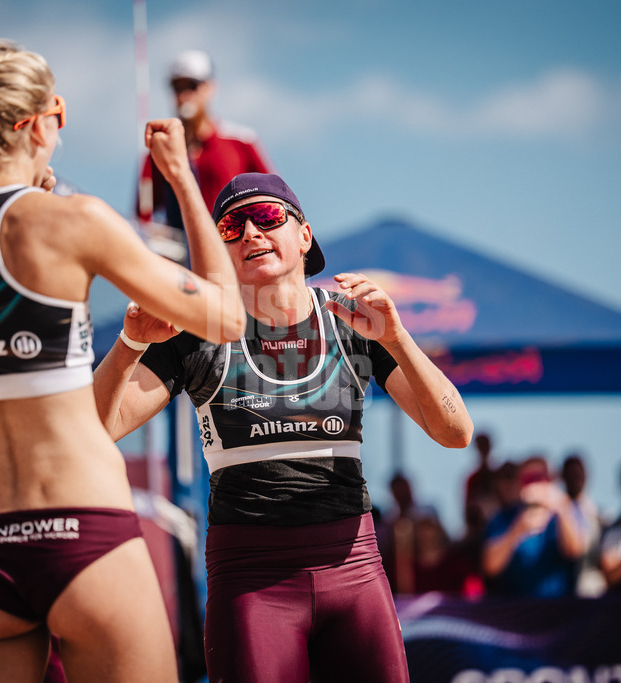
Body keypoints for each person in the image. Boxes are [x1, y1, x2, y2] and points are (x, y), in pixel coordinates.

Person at [0, 40, 245, 682]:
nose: (63, 129)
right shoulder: (73, 223)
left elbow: (0, 346)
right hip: (83, 530)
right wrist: (182, 178)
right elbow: (227, 317)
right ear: (34, 124)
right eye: (59, 114)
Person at [94, 171, 473, 682]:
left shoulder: (353, 323)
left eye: (267, 217)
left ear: (305, 235)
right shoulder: (195, 334)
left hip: (353, 570)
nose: (251, 233)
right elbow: (93, 432)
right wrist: (130, 344)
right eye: (231, 227)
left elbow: (455, 432)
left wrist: (398, 338)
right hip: (252, 579)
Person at [136, 50, 274, 233]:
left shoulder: (242, 142)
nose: (184, 94)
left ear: (210, 88)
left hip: (230, 243)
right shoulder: (160, 148)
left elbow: (273, 199)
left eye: (192, 86)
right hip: (181, 248)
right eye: (178, 87)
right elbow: (143, 214)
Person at [481, 456, 587, 598]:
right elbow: (490, 567)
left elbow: (576, 551)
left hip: (558, 606)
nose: (535, 485)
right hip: (516, 606)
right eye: (528, 479)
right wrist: (517, 530)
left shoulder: (563, 512)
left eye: (540, 478)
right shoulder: (505, 518)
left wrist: (561, 508)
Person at [561, 453, 607, 598]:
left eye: (579, 475)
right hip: (560, 591)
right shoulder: (555, 513)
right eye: (571, 475)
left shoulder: (598, 516)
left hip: (591, 592)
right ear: (563, 477)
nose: (575, 479)